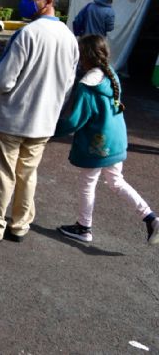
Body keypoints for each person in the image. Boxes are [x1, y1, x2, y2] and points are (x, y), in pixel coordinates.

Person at [0, 0, 79, 242]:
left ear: (49, 0)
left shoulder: (28, 34)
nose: (26, 1)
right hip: (44, 121)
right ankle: (21, 224)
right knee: (27, 173)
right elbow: (68, 84)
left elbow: (3, 80)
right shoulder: (69, 38)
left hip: (12, 117)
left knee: (3, 173)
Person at [54, 35, 158, 244]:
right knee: (116, 181)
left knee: (88, 183)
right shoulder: (111, 75)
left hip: (97, 143)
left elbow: (75, 120)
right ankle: (151, 217)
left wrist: (51, 130)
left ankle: (84, 227)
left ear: (84, 56)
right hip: (116, 139)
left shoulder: (86, 84)